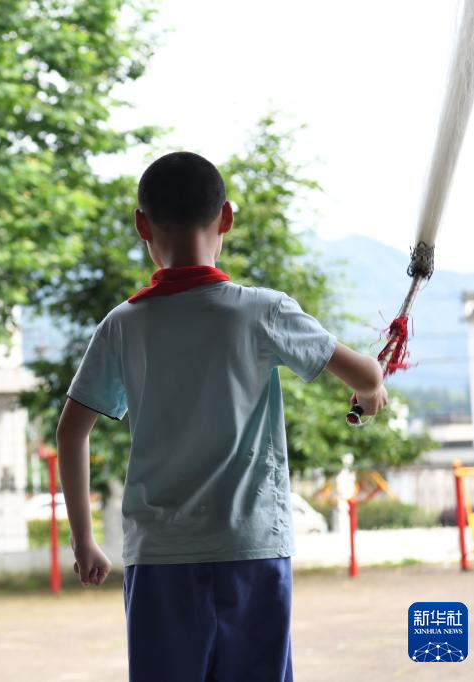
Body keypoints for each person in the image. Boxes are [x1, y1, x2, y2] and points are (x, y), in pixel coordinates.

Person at [55, 151, 387, 682]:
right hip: (251, 549)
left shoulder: (122, 325)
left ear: (142, 224)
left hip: (159, 558)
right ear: (226, 217)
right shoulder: (263, 310)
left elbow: (71, 431)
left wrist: (83, 540)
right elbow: (366, 376)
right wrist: (371, 389)